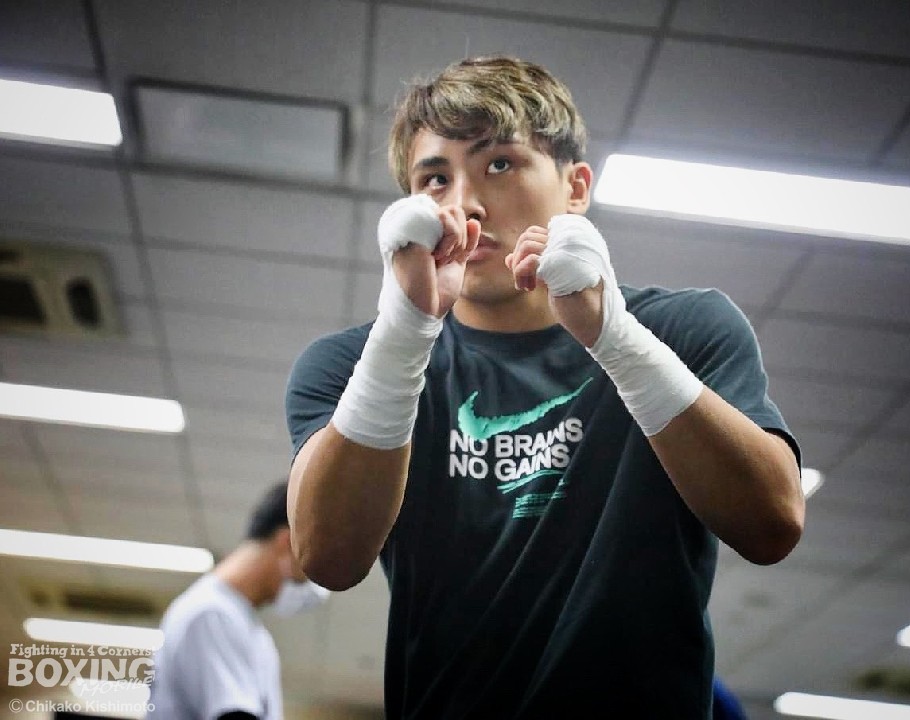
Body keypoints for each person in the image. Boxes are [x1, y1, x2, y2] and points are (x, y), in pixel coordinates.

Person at [286, 56, 804, 718]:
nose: (463, 204)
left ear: (576, 187)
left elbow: (772, 525)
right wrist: (405, 330)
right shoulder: (350, 365)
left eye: (500, 163)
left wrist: (616, 339)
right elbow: (328, 559)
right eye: (435, 179)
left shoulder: (685, 329)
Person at [147, 481, 328, 720]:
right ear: (288, 542)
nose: (306, 582)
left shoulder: (242, 624)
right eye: (308, 567)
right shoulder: (212, 614)